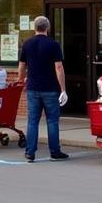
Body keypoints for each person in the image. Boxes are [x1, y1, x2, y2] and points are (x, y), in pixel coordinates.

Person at [17, 15, 69, 162]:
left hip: (33, 88)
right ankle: (55, 151)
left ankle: (30, 152)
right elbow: (58, 67)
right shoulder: (53, 44)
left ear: (35, 28)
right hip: (50, 88)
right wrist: (63, 89)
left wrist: (21, 80)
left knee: (32, 121)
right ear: (48, 28)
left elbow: (21, 66)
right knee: (52, 121)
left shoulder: (27, 44)